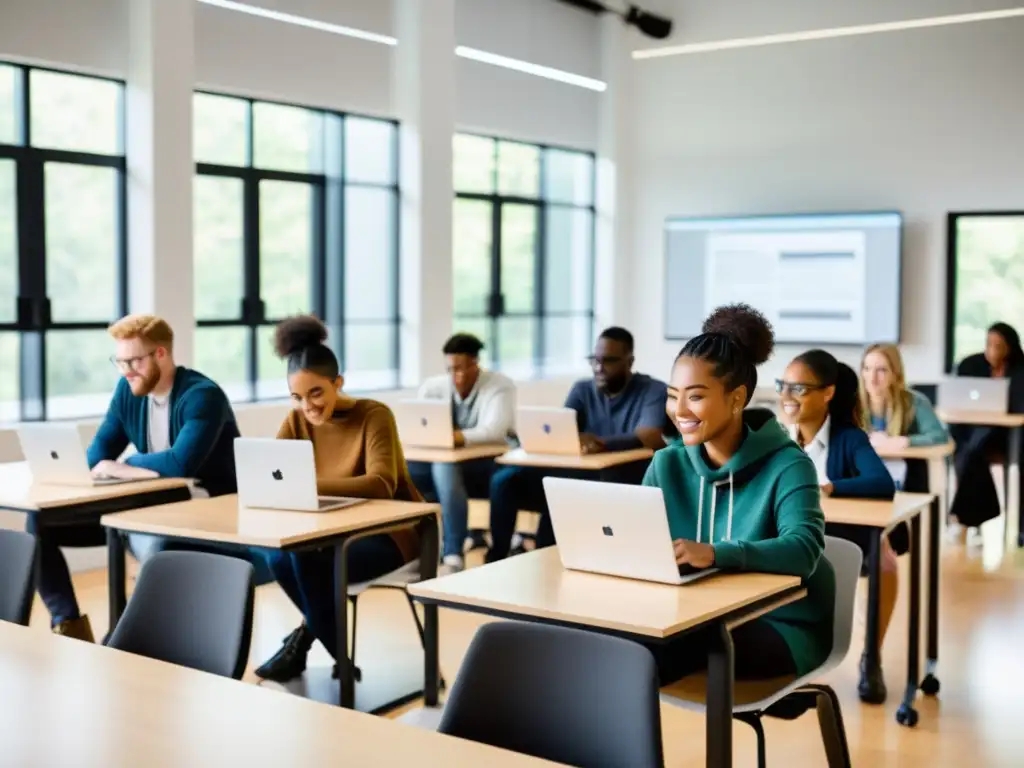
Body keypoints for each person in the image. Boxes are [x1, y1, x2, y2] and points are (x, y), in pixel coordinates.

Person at [641, 304, 834, 685]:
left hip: (778, 622)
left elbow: (804, 549)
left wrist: (715, 553)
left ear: (735, 399)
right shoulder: (666, 464)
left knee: (647, 654)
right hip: (691, 614)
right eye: (672, 395)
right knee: (614, 642)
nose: (678, 411)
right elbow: (641, 546)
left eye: (695, 397)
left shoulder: (788, 464)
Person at [26, 314, 245, 643]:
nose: (126, 370)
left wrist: (127, 464)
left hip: (204, 513)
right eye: (120, 361)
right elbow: (98, 454)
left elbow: (181, 463)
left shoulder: (203, 396)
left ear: (161, 354)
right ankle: (69, 624)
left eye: (133, 361)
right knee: (40, 523)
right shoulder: (128, 390)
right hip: (147, 505)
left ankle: (130, 636)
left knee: (155, 542)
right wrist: (120, 468)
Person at [254, 315, 422, 683]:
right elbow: (274, 473)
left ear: (338, 383)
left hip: (393, 533)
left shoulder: (374, 415)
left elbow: (381, 483)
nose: (309, 406)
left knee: (311, 562)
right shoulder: (296, 420)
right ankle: (337, 654)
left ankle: (317, 652)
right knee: (278, 557)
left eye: (316, 393)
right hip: (331, 531)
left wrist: (308, 484)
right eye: (297, 397)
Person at [487, 327, 675, 561]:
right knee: (504, 481)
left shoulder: (653, 390)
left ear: (630, 361)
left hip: (620, 477)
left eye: (608, 361)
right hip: (575, 472)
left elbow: (650, 436)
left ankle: (545, 555)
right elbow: (560, 428)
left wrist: (601, 444)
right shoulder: (582, 388)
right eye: (594, 360)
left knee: (561, 492)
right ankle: (496, 556)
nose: (599, 368)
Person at [778, 349, 897, 704]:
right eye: (783, 386)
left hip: (842, 537)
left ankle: (871, 657)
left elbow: (882, 482)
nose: (786, 396)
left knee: (886, 562)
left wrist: (830, 486)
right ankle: (784, 654)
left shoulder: (849, 438)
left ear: (827, 393)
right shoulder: (777, 436)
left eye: (798, 388)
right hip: (790, 536)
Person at [408, 333, 515, 573]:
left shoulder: (500, 385)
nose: (455, 375)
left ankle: (453, 553)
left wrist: (453, 437)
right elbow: (419, 423)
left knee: (444, 467)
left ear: (475, 364)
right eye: (450, 369)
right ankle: (417, 550)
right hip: (446, 463)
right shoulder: (433, 387)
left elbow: (494, 430)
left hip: (488, 464)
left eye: (461, 368)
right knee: (406, 469)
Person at [949, 322, 1024, 539]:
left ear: (1010, 347)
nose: (992, 350)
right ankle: (974, 519)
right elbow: (958, 399)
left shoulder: (1020, 368)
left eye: (998, 345)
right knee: (969, 452)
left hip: (1008, 435)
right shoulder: (970, 364)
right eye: (989, 344)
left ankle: (966, 520)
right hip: (974, 432)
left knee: (970, 451)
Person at [859, 343, 950, 490]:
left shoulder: (915, 401)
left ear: (895, 374)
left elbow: (939, 435)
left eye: (881, 370)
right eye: (867, 369)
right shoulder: (852, 402)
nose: (872, 378)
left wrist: (904, 441)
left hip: (904, 475)